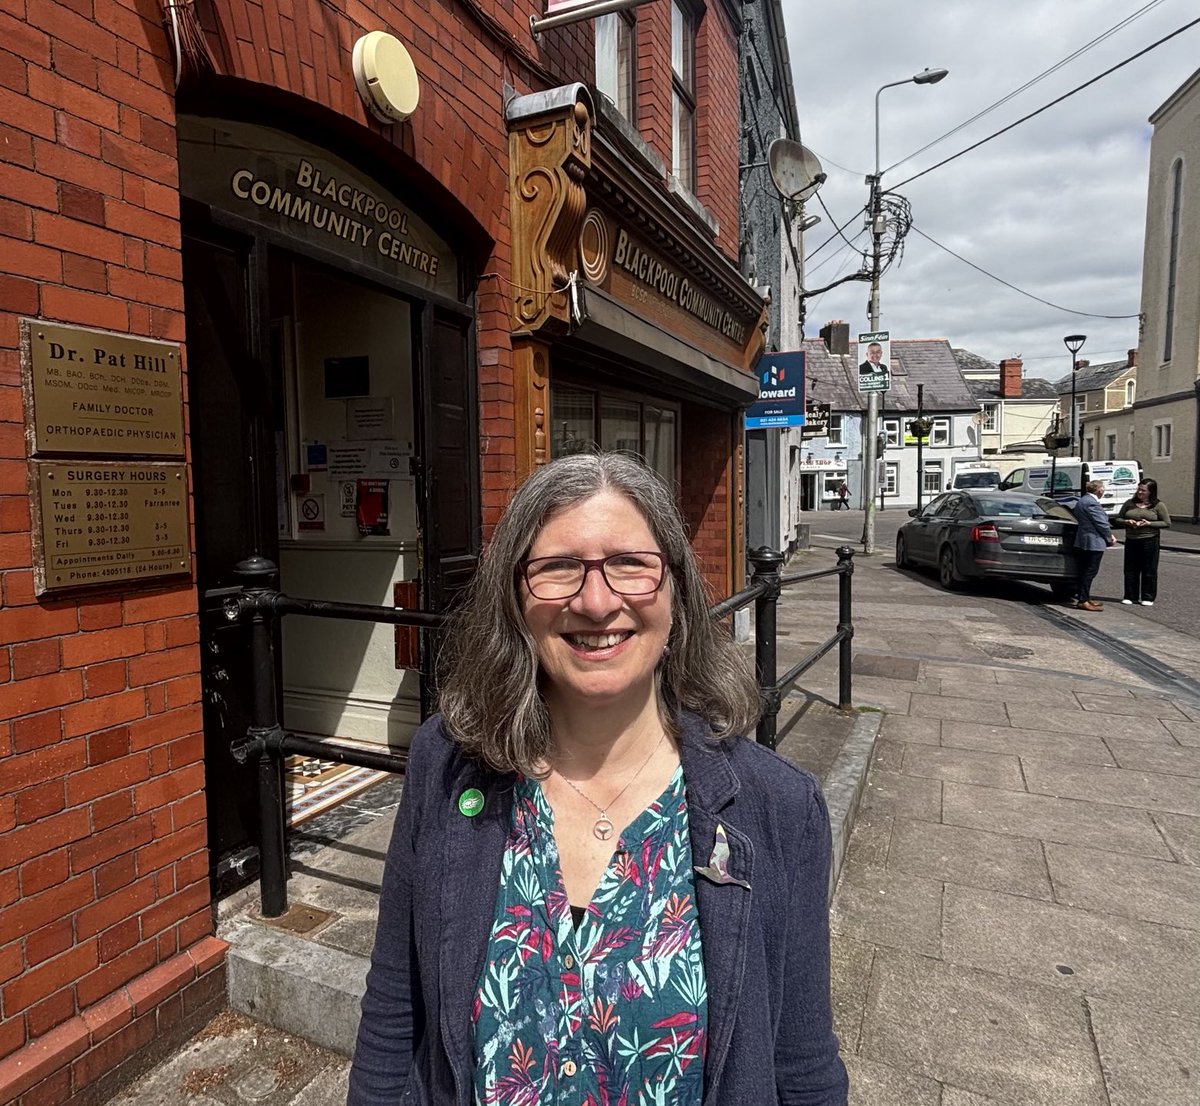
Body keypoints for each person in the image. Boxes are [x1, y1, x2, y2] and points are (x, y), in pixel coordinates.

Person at [348, 452, 848, 1106]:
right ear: (516, 599)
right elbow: (394, 1011)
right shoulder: (444, 767)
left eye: (630, 565)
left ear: (675, 592)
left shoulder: (777, 808)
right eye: (558, 568)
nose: (595, 600)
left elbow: (803, 1066)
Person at [1117, 478, 1170, 606]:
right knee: (1130, 569)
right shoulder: (1129, 503)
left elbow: (1166, 523)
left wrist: (1149, 523)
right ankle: (1130, 596)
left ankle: (1148, 597)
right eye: (1139, 489)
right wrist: (1126, 522)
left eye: (1143, 490)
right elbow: (1118, 518)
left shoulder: (1158, 505)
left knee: (1149, 570)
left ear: (1151, 492)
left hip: (1149, 540)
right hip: (1131, 539)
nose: (1140, 492)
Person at [1067, 479, 1117, 611]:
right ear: (1099, 490)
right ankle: (1083, 600)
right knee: (1090, 571)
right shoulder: (1092, 503)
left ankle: (1085, 597)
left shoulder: (1082, 500)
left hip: (1083, 540)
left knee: (1085, 570)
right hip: (1093, 541)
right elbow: (1101, 523)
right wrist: (1109, 537)